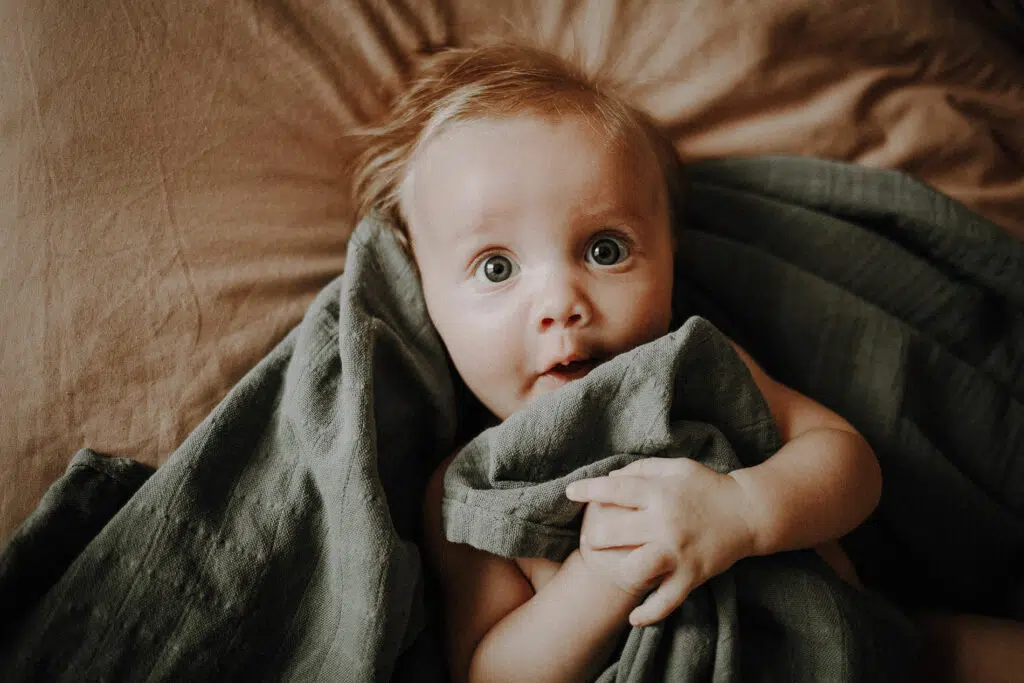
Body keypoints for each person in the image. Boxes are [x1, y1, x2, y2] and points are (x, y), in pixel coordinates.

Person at [350, 43, 1021, 683]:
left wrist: (744, 509)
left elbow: (847, 459)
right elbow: (492, 671)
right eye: (496, 267)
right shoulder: (472, 487)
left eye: (605, 250)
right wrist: (603, 575)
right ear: (424, 295)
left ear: (672, 254)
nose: (561, 301)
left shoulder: (694, 366)